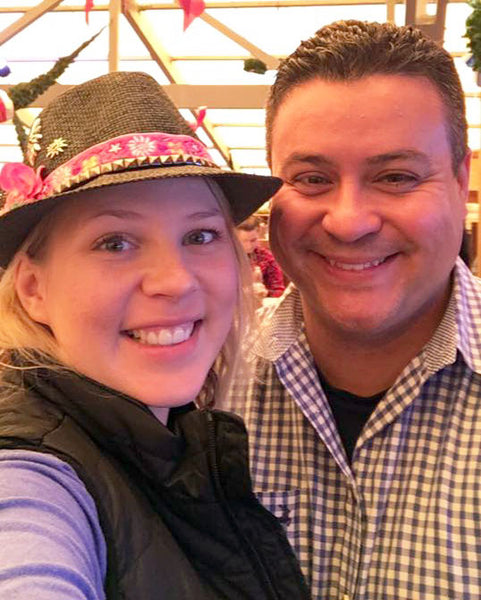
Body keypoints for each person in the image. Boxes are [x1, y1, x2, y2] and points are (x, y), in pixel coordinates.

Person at [0, 71, 310, 600]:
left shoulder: (169, 438)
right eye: (115, 242)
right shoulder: (30, 472)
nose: (175, 280)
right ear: (34, 289)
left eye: (200, 235)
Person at [225, 20, 480, 599]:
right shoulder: (200, 387)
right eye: (312, 179)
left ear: (461, 181)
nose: (349, 221)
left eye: (395, 177)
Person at [236, 216, 286, 298]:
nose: (248, 246)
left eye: (253, 240)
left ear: (259, 233)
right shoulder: (223, 258)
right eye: (243, 241)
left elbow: (278, 289)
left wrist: (266, 292)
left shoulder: (265, 256)